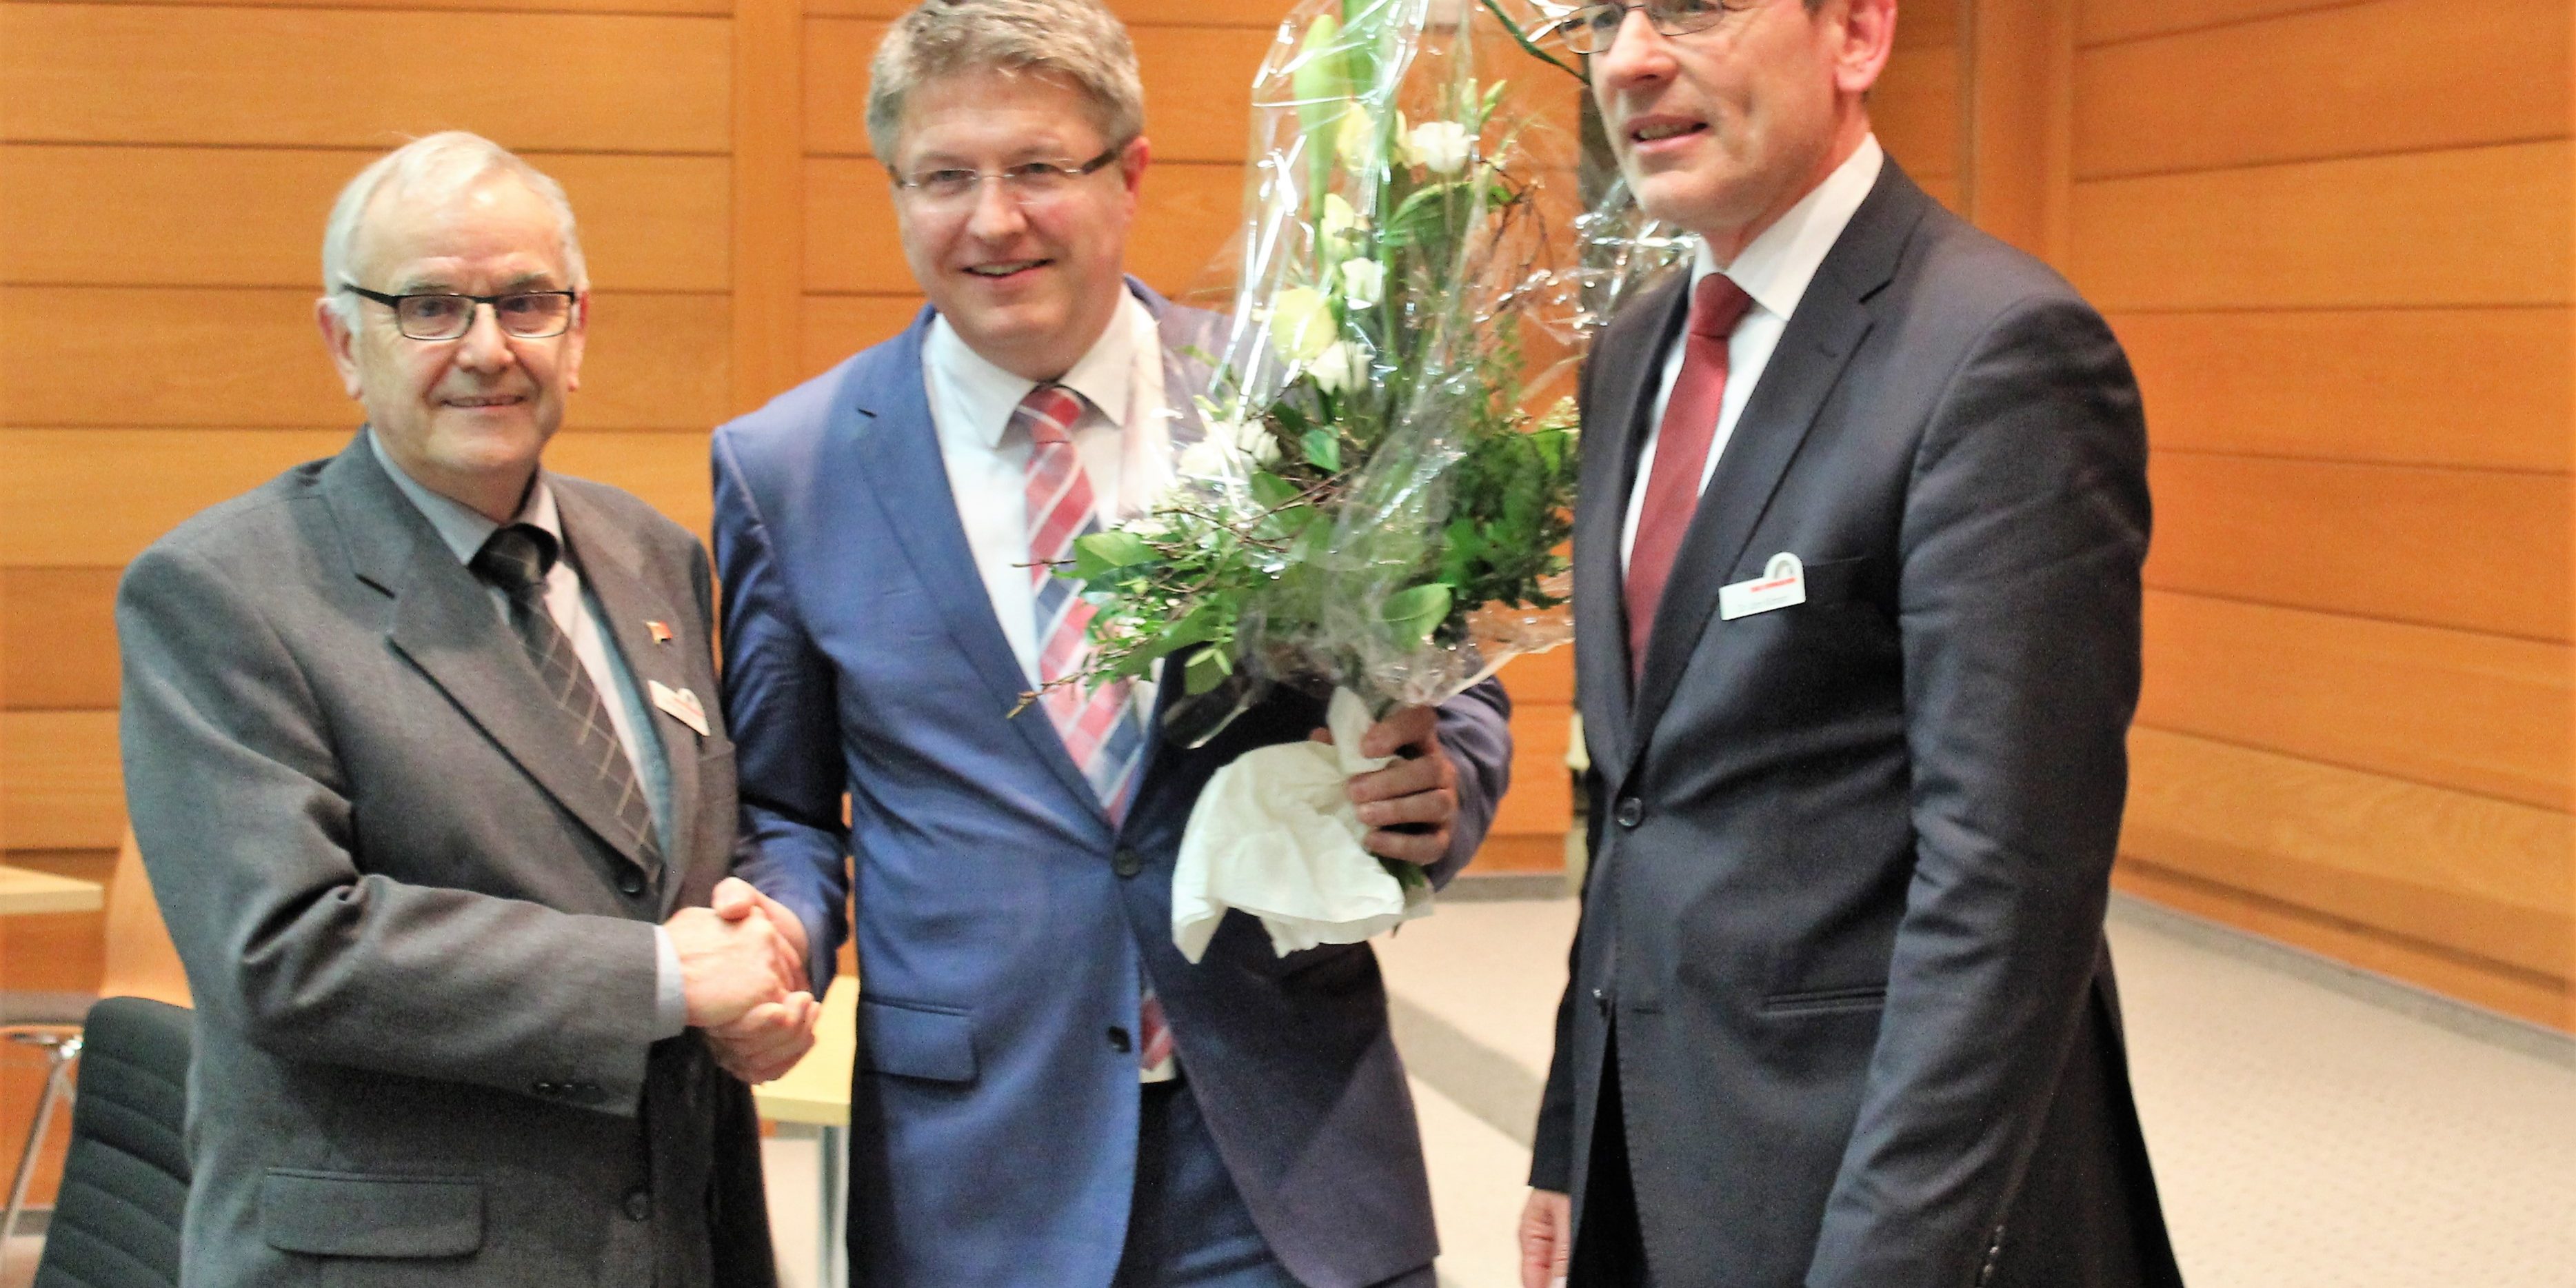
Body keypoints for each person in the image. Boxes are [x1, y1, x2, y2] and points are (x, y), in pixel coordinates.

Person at [710, 2, 1514, 1285]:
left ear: (1127, 174)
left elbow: (1447, 685)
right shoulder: (788, 469)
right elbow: (788, 808)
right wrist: (780, 933)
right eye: (946, 177)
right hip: (979, 1164)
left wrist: (1442, 779)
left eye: (1037, 168)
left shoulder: (1294, 405)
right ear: (897, 190)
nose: (993, 220)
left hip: (1282, 1140)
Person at [1518, 2, 2183, 1286]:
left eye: (1697, 5)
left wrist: (1890, 1261)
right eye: (1604, 14)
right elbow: (1636, 806)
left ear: (1861, 34)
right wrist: (1565, 1133)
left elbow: (2010, 887)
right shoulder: (1635, 350)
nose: (1632, 56)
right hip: (1653, 1154)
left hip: (1879, 1194)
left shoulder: (1999, 353)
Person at [117, 131, 812, 1287]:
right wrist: (663, 980)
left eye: (525, 302)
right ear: (346, 342)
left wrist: (764, 952)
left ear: (579, 330)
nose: (487, 350)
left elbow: (686, 854)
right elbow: (284, 948)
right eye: (431, 307)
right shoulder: (226, 591)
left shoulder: (655, 557)